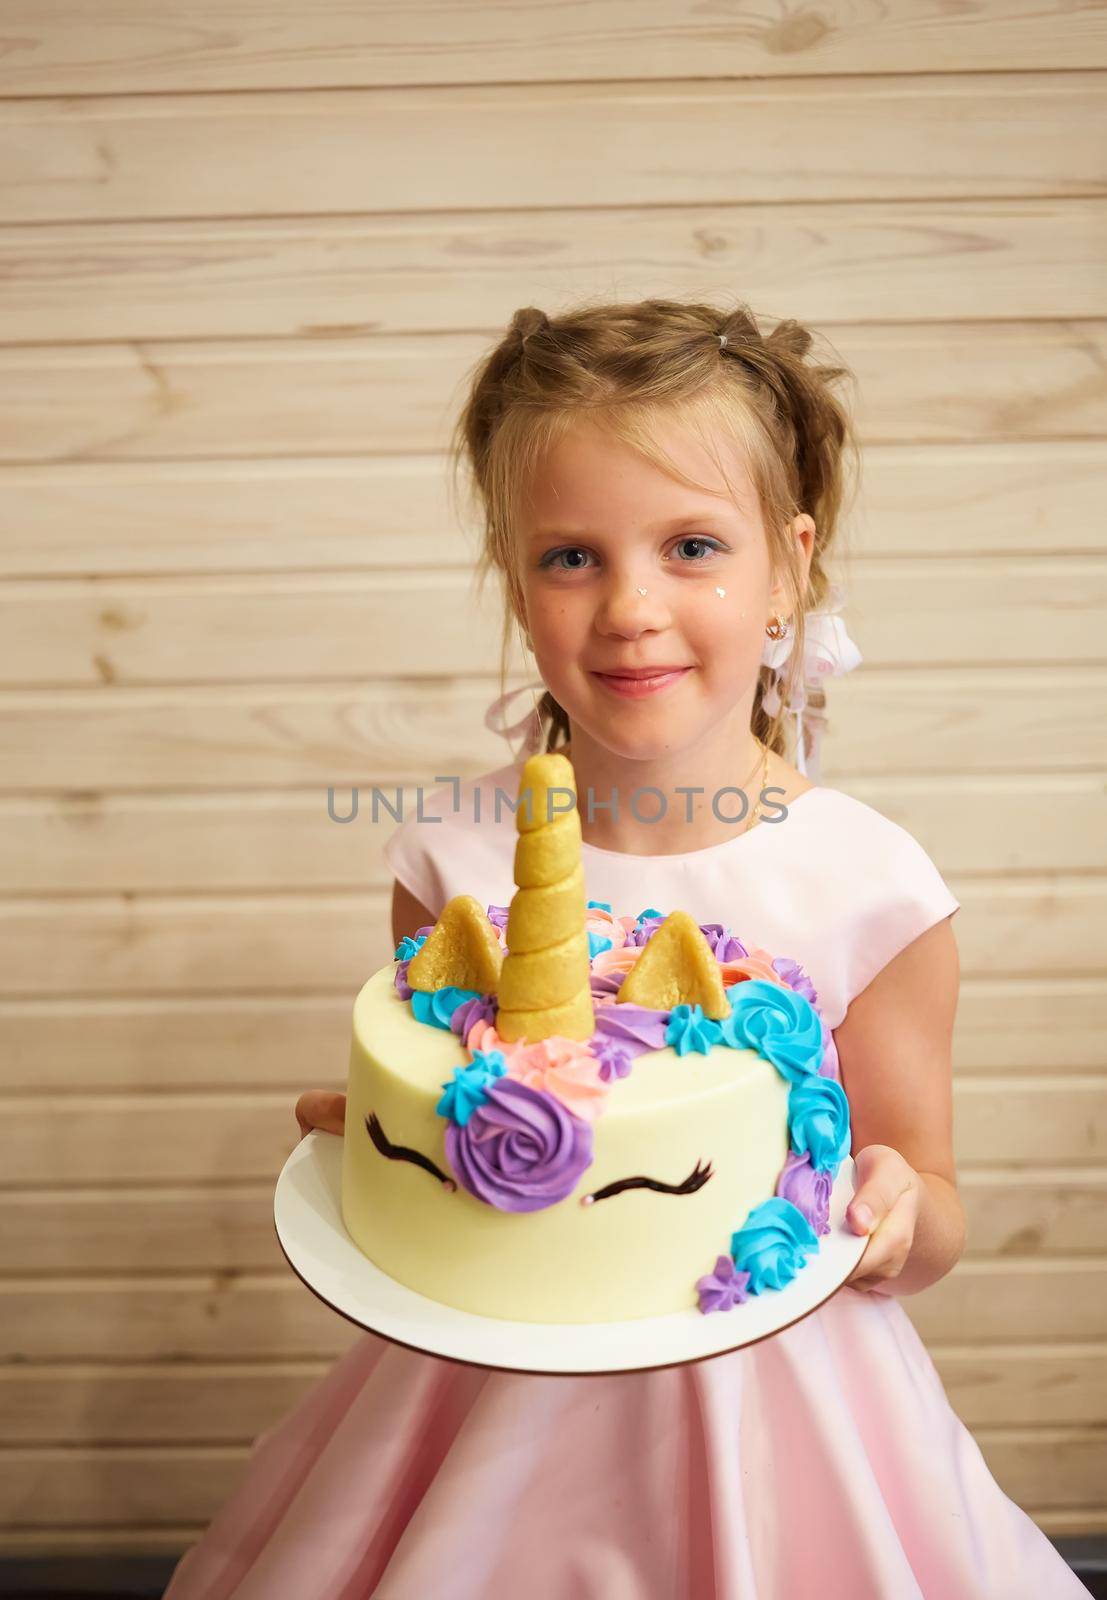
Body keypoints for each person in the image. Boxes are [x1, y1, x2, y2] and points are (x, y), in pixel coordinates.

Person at [163, 299, 1087, 1598]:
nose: (631, 608)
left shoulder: (868, 885)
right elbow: (457, 1106)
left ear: (792, 566)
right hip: (480, 1412)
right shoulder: (454, 860)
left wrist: (889, 1215)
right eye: (572, 557)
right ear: (513, 573)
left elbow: (932, 1202)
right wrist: (384, 1149)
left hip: (781, 1421)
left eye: (693, 546)